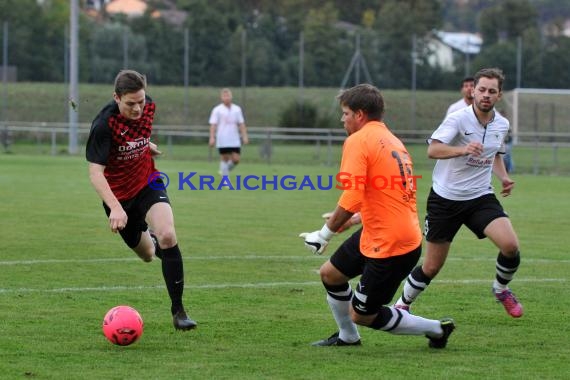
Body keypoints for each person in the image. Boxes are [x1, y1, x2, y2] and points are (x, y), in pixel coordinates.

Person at [299, 84, 455, 348]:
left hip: (391, 244)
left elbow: (352, 196)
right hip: (383, 230)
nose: (342, 119)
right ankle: (348, 337)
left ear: (360, 115)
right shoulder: (393, 141)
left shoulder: (358, 140)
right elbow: (386, 195)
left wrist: (323, 235)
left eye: (346, 113)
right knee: (331, 275)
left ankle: (436, 329)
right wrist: (350, 221)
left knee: (363, 314)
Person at [394, 67, 523, 318]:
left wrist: (504, 177)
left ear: (499, 95)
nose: (486, 95)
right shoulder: (457, 118)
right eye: (482, 89)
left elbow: (494, 154)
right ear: (473, 90)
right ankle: (402, 304)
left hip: (480, 197)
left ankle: (501, 289)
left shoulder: (502, 123)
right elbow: (433, 151)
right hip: (445, 200)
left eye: (492, 91)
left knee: (510, 245)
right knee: (432, 266)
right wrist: (462, 150)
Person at [86, 69, 197, 331]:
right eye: (130, 103)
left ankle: (179, 311)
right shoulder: (103, 125)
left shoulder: (149, 106)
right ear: (116, 97)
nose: (138, 108)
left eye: (141, 101)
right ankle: (153, 240)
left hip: (147, 182)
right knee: (148, 254)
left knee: (168, 235)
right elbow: (95, 172)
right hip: (120, 198)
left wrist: (146, 145)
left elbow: (135, 131)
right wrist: (114, 207)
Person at [209, 88, 249, 176]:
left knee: (236, 159)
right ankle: (225, 180)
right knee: (225, 158)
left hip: (234, 138)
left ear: (231, 97)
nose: (226, 98)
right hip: (222, 138)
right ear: (221, 98)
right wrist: (212, 137)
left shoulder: (237, 109)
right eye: (224, 96)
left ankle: (223, 171)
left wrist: (244, 136)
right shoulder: (217, 110)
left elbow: (241, 124)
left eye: (228, 96)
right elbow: (213, 124)